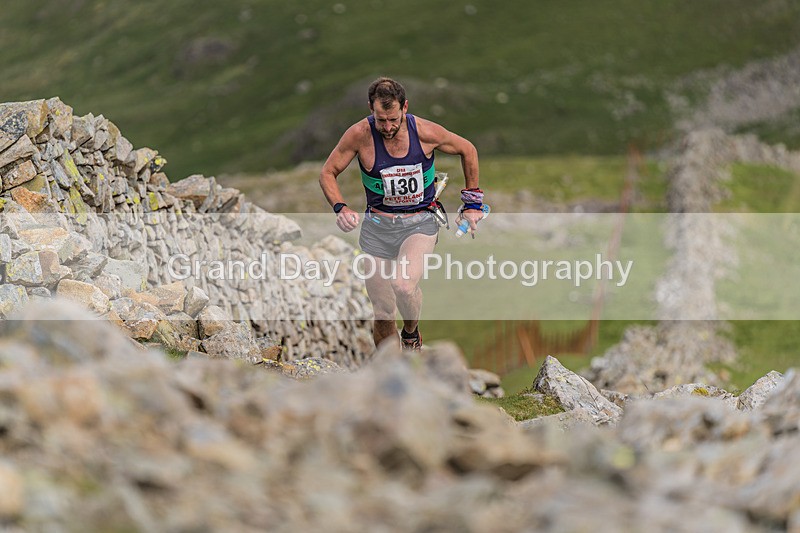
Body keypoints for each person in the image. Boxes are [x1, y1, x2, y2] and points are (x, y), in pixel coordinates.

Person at [320, 77, 483, 350]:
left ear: (404, 107)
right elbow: (328, 172)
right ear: (370, 109)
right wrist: (341, 207)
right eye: (380, 119)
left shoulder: (425, 132)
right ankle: (392, 375)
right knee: (383, 312)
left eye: (393, 119)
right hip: (377, 227)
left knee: (404, 286)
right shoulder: (359, 134)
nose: (387, 127)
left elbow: (468, 149)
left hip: (419, 223)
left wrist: (472, 204)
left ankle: (411, 333)